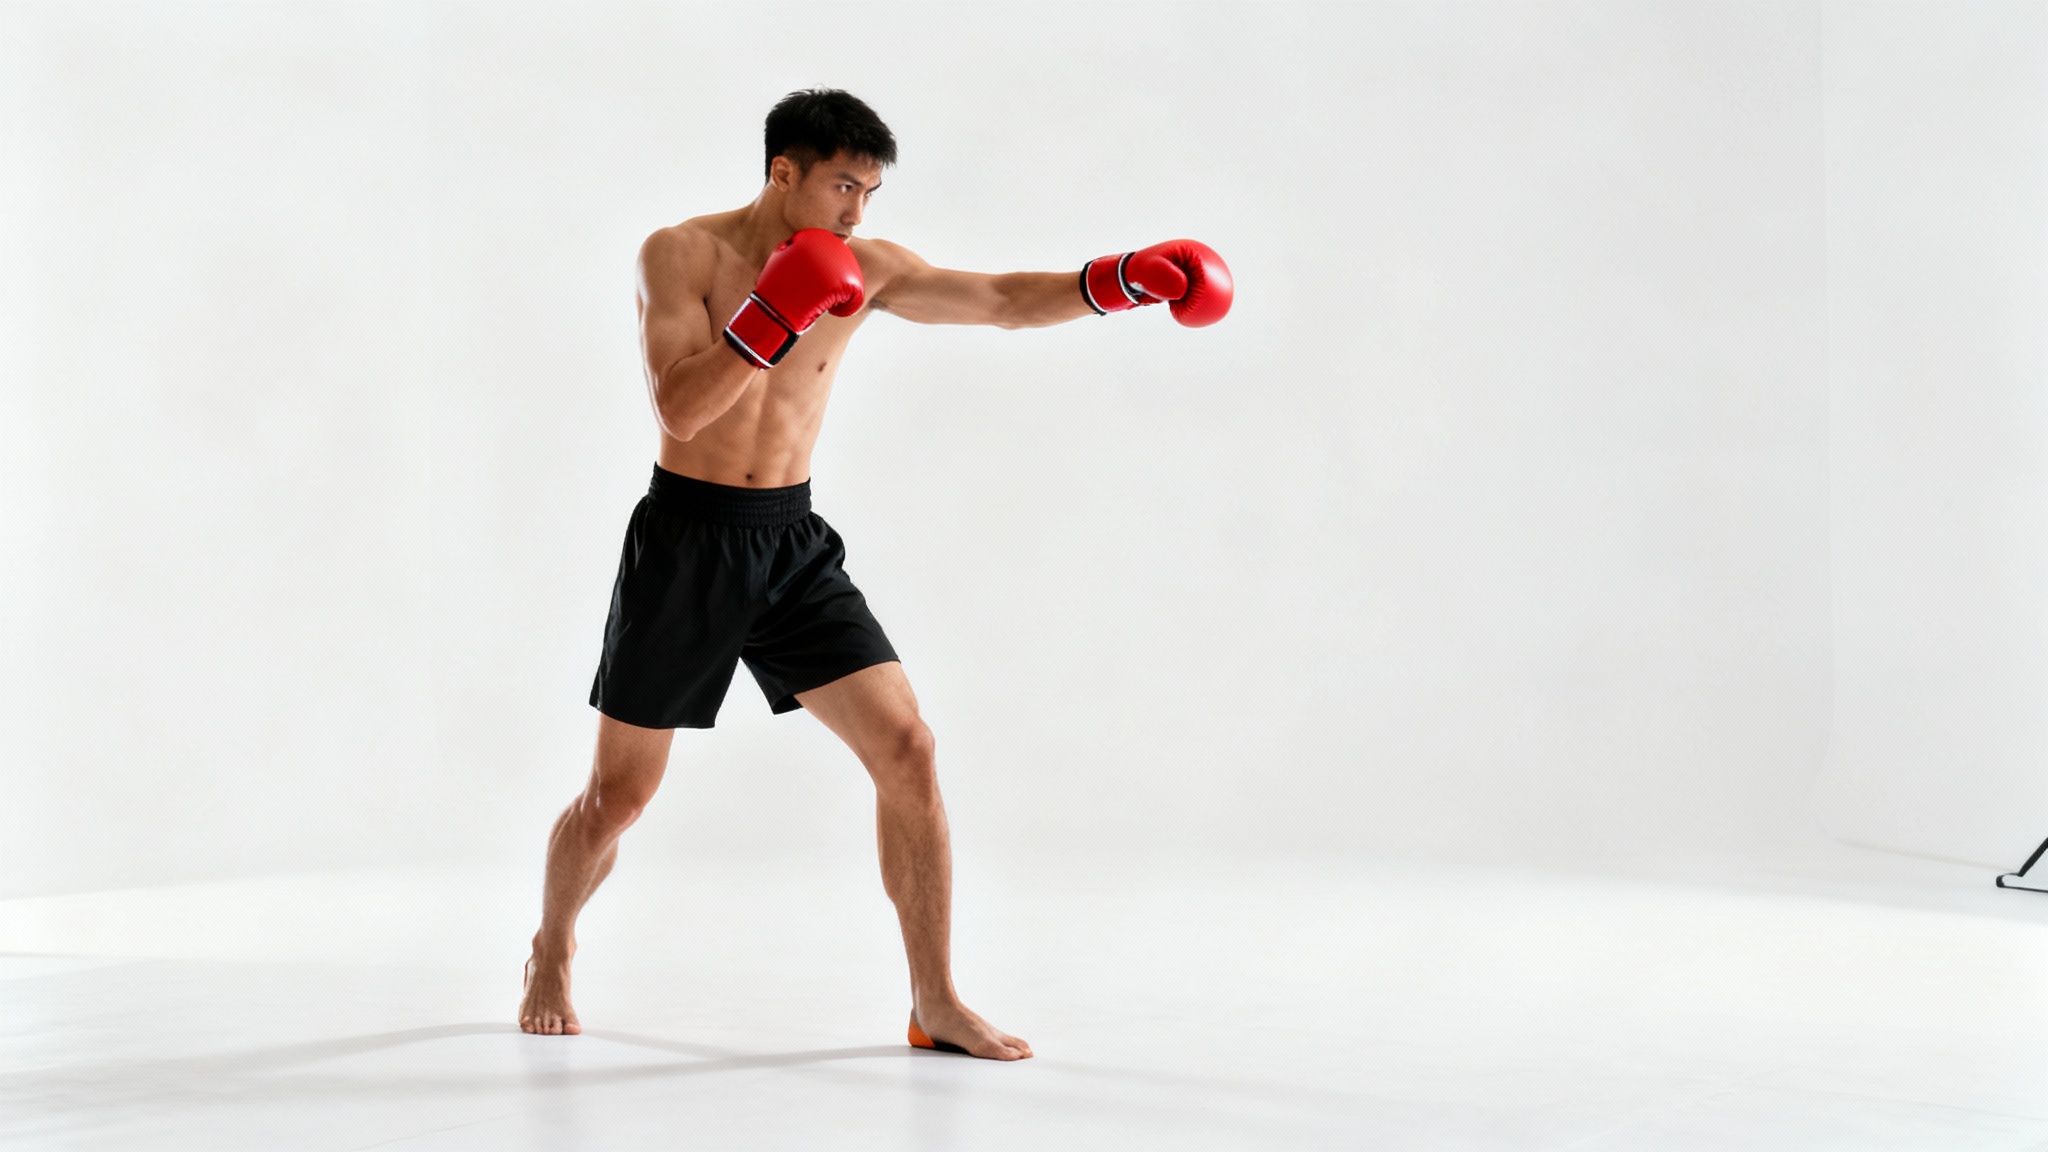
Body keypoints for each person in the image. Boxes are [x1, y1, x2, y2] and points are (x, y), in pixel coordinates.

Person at [517, 88, 1232, 1061]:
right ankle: (550, 945)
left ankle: (933, 1000)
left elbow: (1000, 302)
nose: (857, 212)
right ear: (784, 172)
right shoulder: (679, 254)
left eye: (871, 192)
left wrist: (1122, 280)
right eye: (843, 185)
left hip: (790, 540)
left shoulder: (868, 267)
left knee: (910, 750)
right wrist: (773, 314)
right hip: (687, 543)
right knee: (618, 800)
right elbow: (680, 410)